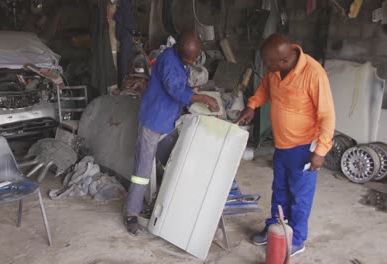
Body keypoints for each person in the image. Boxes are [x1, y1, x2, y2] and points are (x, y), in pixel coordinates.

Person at [237, 33, 335, 256]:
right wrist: (252, 105)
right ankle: (275, 227)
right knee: (279, 190)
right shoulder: (275, 71)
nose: (265, 66)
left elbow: (327, 116)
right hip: (281, 145)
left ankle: (297, 239)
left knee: (299, 196)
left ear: (283, 60)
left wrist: (321, 150)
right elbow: (264, 90)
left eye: (268, 62)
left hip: (304, 148)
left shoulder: (313, 74)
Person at [125, 31, 219, 235]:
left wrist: (193, 92)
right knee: (142, 170)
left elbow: (181, 85)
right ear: (179, 51)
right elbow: (176, 89)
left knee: (174, 160)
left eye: (194, 58)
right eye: (190, 59)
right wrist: (202, 98)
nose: (192, 62)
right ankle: (132, 214)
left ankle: (171, 202)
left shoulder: (178, 58)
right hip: (154, 120)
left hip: (168, 120)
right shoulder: (168, 61)